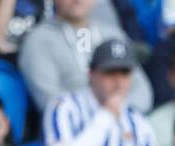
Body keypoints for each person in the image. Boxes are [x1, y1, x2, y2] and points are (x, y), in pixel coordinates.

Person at [18, 0, 154, 113]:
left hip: (120, 125)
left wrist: (116, 112)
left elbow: (142, 92)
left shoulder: (112, 33)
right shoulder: (39, 40)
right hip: (71, 134)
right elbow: (50, 102)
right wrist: (100, 117)